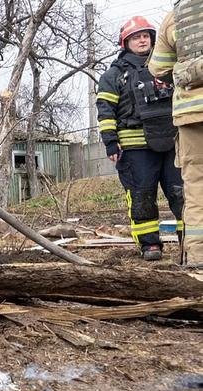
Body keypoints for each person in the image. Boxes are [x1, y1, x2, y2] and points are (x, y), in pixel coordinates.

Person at [97, 16, 183, 261]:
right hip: (135, 146)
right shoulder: (114, 75)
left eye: (146, 36)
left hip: (173, 142)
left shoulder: (168, 67)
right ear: (126, 42)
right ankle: (149, 245)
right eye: (136, 37)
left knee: (182, 194)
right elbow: (105, 109)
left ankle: (190, 243)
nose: (142, 40)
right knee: (141, 195)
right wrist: (110, 141)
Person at [149, 2, 203, 267]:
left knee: (196, 187)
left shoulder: (177, 16)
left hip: (191, 115)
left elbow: (158, 67)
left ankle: (198, 257)